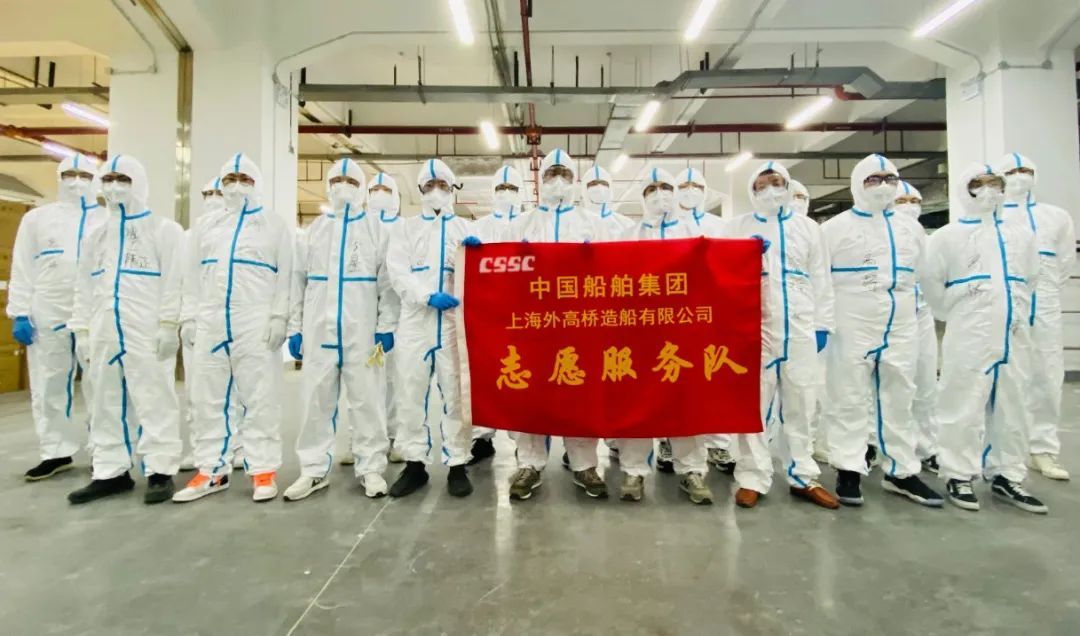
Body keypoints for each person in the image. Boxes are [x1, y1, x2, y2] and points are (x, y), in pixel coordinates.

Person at [820, 153, 943, 508]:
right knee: (848, 395)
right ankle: (848, 468)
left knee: (900, 394)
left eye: (889, 179)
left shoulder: (910, 229)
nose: (883, 187)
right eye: (873, 180)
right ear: (858, 184)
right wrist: (823, 322)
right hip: (851, 320)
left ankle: (901, 470)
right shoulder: (835, 229)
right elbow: (820, 279)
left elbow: (923, 275)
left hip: (900, 321)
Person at [922, 163, 1046, 513]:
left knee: (1014, 404)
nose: (989, 191)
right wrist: (960, 309)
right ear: (965, 188)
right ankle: (958, 473)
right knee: (961, 402)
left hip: (1013, 333)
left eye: (996, 184)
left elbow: (1031, 278)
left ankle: (1007, 474)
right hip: (969, 332)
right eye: (979, 184)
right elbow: (932, 284)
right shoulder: (947, 237)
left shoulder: (1021, 235)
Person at [173, 153, 293, 503]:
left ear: (257, 184)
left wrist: (280, 317)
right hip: (211, 320)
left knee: (260, 397)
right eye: (229, 179)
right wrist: (189, 317)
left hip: (254, 320)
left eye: (245, 179)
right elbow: (190, 277)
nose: (236, 186)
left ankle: (263, 470)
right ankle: (211, 469)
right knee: (208, 398)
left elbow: (286, 276)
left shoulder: (273, 225)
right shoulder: (205, 227)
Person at [67, 154, 184, 504]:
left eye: (123, 179)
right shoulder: (96, 236)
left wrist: (168, 324)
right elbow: (83, 286)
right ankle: (110, 471)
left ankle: (160, 470)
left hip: (146, 329)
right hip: (103, 328)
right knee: (103, 400)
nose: (114, 187)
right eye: (108, 179)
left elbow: (175, 282)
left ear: (139, 183)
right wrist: (82, 330)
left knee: (154, 397)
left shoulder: (163, 230)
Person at [724, 161, 839, 510]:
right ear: (751, 191)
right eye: (761, 185)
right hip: (755, 330)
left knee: (801, 404)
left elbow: (821, 279)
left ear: (788, 186)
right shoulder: (737, 228)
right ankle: (752, 476)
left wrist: (822, 324)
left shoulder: (808, 228)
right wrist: (742, 258)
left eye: (776, 182)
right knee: (754, 406)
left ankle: (802, 475)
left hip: (800, 328)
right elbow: (719, 276)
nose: (770, 190)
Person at [283, 159, 397, 501]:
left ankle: (371, 467)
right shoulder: (313, 231)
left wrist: (386, 326)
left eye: (351, 180)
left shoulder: (377, 230)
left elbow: (387, 285)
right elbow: (297, 282)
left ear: (361, 188)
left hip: (364, 335)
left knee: (368, 399)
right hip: (319, 332)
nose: (343, 186)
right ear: (328, 185)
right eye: (337, 180)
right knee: (315, 401)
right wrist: (295, 327)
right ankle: (313, 470)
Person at [503, 148, 608, 500]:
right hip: (533, 324)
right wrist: (476, 255)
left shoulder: (593, 224)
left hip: (580, 322)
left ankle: (584, 464)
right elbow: (501, 271)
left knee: (579, 391)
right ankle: (529, 462)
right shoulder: (521, 224)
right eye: (551, 174)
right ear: (540, 180)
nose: (558, 181)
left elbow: (616, 271)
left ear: (574, 180)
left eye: (565, 174)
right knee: (530, 392)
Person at [613, 167, 714, 504]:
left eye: (666, 187)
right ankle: (633, 469)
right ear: (643, 197)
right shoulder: (627, 236)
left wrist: (749, 253)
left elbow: (712, 275)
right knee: (636, 401)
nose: (660, 194)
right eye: (652, 189)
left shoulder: (695, 234)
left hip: (683, 330)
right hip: (639, 331)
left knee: (685, 401)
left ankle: (692, 470)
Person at [9, 153, 105, 481]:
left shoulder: (107, 218)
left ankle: (103, 449)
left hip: (93, 309)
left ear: (94, 179)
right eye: (69, 174)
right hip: (48, 308)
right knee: (49, 382)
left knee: (99, 382)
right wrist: (20, 312)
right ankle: (55, 450)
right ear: (59, 177)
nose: (76, 182)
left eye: (84, 175)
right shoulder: (37, 219)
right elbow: (22, 265)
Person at [384, 158, 475, 498]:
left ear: (453, 189)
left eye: (443, 185)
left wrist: (480, 256)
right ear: (420, 189)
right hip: (415, 323)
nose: (436, 191)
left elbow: (483, 276)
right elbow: (397, 272)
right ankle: (414, 465)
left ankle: (457, 464)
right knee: (410, 394)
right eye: (430, 185)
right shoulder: (404, 229)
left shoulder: (465, 229)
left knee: (455, 394)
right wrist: (426, 296)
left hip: (453, 325)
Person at [995, 153, 1076, 481]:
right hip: (1005, 303)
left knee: (1047, 374)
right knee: (1004, 376)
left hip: (1044, 306)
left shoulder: (1056, 217)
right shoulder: (994, 216)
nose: (1019, 176)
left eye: (1025, 170)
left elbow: (1065, 263)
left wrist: (1044, 292)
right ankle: (1002, 447)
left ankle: (1042, 448)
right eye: (1012, 171)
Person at [179, 179, 245, 472]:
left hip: (235, 320)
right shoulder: (191, 236)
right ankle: (202, 447)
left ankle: (239, 444)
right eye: (208, 193)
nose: (214, 198)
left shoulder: (244, 233)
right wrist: (186, 318)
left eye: (218, 192)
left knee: (238, 388)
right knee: (199, 391)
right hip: (200, 321)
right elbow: (184, 280)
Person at [673, 166, 735, 473]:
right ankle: (669, 441)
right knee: (673, 379)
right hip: (674, 314)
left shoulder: (720, 226)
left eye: (696, 185)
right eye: (683, 185)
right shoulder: (668, 225)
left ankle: (718, 444)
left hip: (711, 312)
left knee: (713, 377)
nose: (690, 191)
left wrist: (750, 251)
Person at [468, 165, 530, 464]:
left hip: (523, 313)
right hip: (488, 313)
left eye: (513, 189)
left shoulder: (530, 223)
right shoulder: (479, 226)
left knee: (521, 376)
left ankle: (523, 440)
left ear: (522, 193)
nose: (506, 194)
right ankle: (482, 437)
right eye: (501, 189)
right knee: (487, 374)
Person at [892, 182, 940, 473]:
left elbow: (935, 277)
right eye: (902, 200)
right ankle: (875, 446)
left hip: (922, 314)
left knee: (925, 384)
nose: (909, 207)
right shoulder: (876, 237)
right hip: (889, 318)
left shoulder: (926, 239)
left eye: (914, 200)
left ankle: (926, 447)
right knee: (890, 387)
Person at [369, 172, 406, 465]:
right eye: (374, 189)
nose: (379, 194)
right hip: (361, 316)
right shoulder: (359, 226)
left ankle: (395, 436)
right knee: (364, 381)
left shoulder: (403, 228)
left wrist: (389, 322)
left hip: (399, 317)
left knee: (396, 379)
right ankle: (364, 437)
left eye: (386, 189)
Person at [580, 164, 634, 235]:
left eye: (604, 184)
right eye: (593, 184)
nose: (599, 187)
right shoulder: (576, 224)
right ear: (584, 190)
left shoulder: (625, 224)